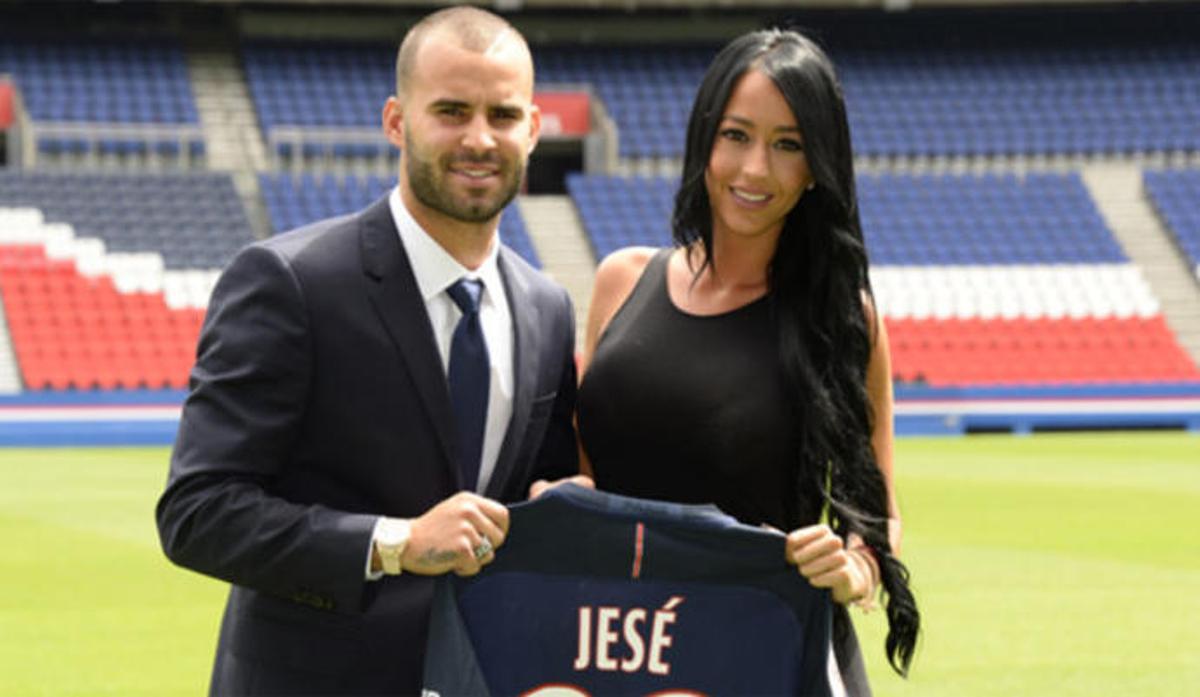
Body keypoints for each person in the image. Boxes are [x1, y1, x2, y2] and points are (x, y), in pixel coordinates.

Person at [156, 7, 585, 695]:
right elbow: (198, 512)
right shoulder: (290, 282)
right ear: (396, 120)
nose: (480, 138)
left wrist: (562, 505)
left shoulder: (547, 308)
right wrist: (395, 542)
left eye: (502, 116)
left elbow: (532, 494)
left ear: (533, 129)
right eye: (451, 110)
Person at [575, 28, 919, 692]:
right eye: (736, 135)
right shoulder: (622, 279)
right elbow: (581, 473)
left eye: (788, 145)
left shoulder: (845, 319)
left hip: (769, 650)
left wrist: (856, 567)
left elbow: (876, 512)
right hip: (618, 644)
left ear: (817, 165)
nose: (755, 169)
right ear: (705, 137)